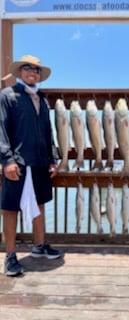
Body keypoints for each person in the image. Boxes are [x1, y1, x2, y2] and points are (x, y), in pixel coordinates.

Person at [0, 55, 61, 277]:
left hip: (40, 162)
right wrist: (7, 160)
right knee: (10, 208)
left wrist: (53, 158)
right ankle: (10, 256)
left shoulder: (42, 100)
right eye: (28, 68)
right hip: (17, 162)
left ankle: (39, 246)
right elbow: (1, 130)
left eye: (36, 70)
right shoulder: (8, 96)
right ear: (19, 72)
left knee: (40, 204)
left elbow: (48, 131)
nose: (32, 72)